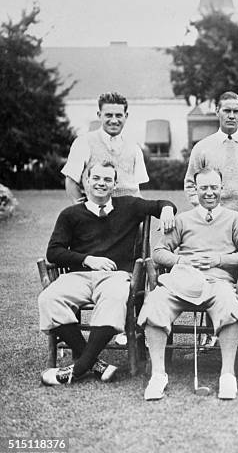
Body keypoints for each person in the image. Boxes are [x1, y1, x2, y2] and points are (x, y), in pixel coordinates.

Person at [38, 161, 176, 385]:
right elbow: (53, 252)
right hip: (79, 275)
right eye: (96, 178)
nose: (101, 183)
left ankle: (79, 367)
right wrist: (87, 259)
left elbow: (161, 204)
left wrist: (168, 209)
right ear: (86, 182)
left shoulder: (130, 206)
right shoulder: (70, 214)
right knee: (49, 298)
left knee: (114, 297)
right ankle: (93, 363)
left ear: (114, 184)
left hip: (116, 276)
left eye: (107, 180)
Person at [138, 168, 238, 401]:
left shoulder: (234, 219)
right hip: (183, 280)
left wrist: (220, 259)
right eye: (203, 188)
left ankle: (227, 375)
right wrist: (182, 259)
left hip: (218, 281)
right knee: (155, 303)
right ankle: (158, 374)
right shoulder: (182, 220)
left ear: (221, 188)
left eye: (214, 187)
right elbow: (159, 251)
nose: (209, 193)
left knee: (229, 305)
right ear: (195, 190)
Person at [184, 91, 238, 353]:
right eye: (226, 111)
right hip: (216, 222)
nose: (231, 115)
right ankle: (213, 330)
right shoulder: (203, 147)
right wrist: (204, 211)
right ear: (217, 112)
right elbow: (191, 183)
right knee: (213, 274)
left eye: (236, 111)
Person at [61, 92, 149, 203]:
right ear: (99, 115)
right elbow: (71, 182)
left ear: (126, 116)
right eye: (108, 115)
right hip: (97, 213)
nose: (113, 120)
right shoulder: (83, 142)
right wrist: (81, 211)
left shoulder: (134, 147)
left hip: (129, 213)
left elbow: (136, 190)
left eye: (118, 115)